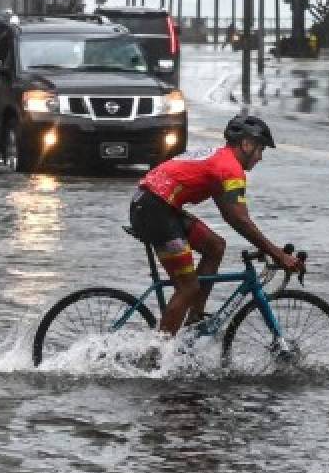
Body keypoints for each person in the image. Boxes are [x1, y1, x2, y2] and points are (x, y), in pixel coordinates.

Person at [129, 114, 301, 336]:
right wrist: (278, 254)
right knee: (188, 287)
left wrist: (266, 247)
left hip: (155, 205)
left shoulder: (221, 161)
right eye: (260, 149)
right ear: (246, 144)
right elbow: (239, 219)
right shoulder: (230, 168)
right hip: (154, 210)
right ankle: (157, 355)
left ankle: (194, 323)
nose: (260, 157)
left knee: (215, 246)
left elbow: (232, 216)